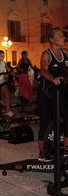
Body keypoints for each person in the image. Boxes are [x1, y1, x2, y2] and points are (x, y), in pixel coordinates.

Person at [38, 27, 68, 162]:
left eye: (63, 35)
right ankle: (42, 153)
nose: (63, 37)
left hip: (61, 92)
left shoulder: (66, 53)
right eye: (60, 35)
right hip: (47, 92)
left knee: (67, 120)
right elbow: (43, 70)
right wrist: (52, 79)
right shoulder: (47, 54)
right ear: (52, 39)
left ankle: (66, 150)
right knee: (46, 121)